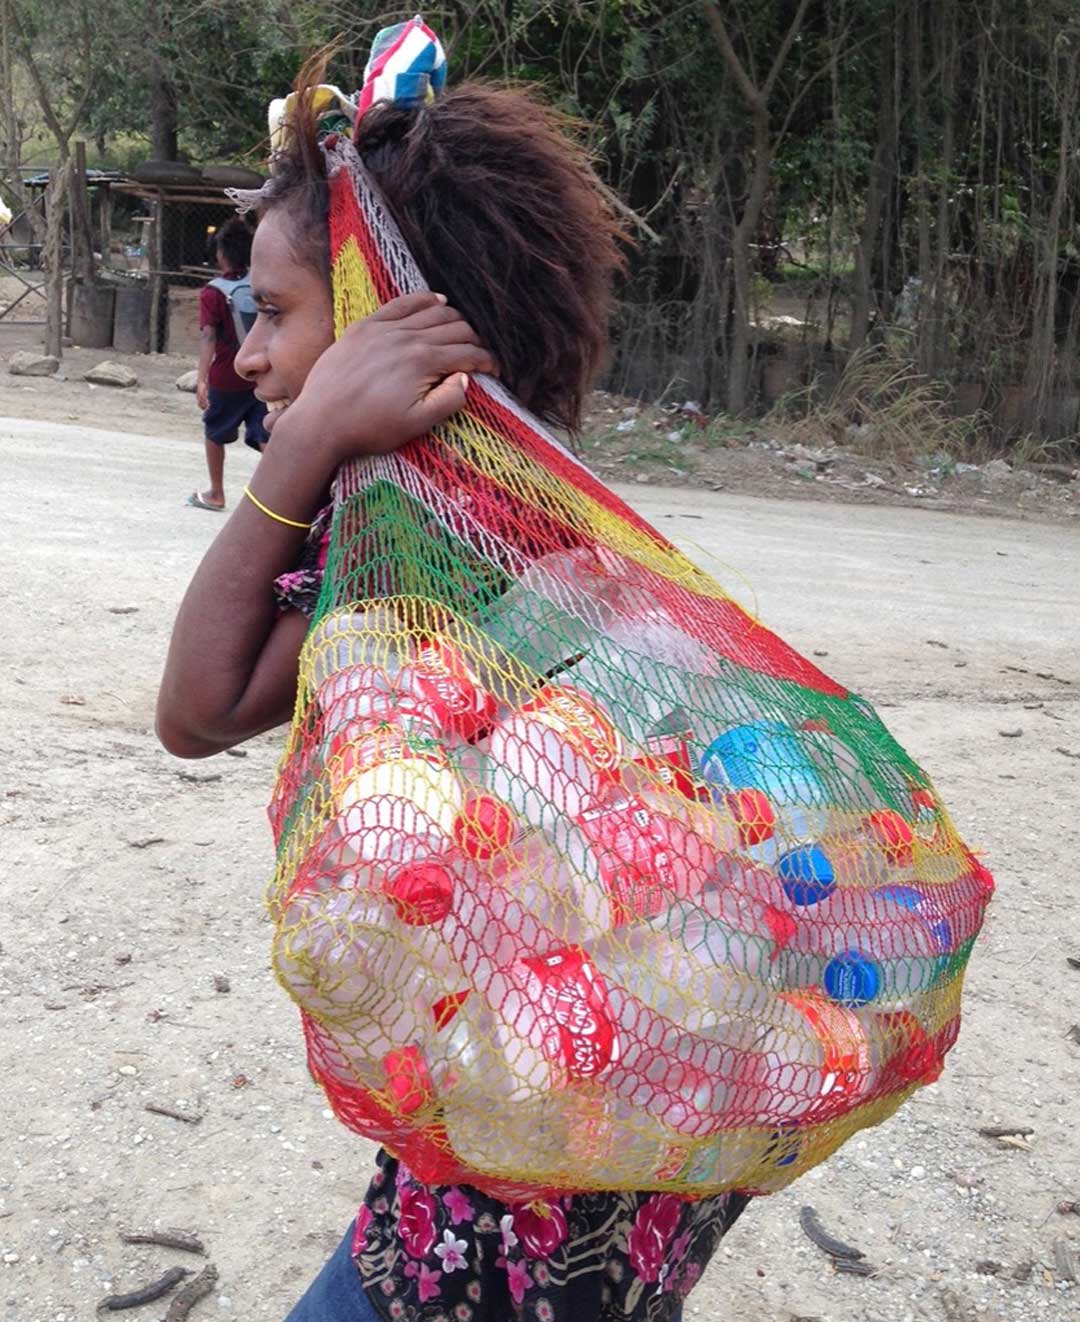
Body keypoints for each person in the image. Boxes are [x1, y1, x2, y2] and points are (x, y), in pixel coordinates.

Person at [158, 21, 749, 1322]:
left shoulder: (450, 544)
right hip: (608, 1140)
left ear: (381, 306)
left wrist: (303, 436)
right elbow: (204, 711)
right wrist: (316, 441)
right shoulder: (430, 522)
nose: (249, 352)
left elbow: (194, 709)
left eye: (279, 313)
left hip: (527, 1180)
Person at [187, 216, 269, 512]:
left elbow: (208, 336)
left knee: (214, 431)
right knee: (264, 434)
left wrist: (202, 379)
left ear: (221, 253)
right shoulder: (263, 285)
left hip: (226, 374)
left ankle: (216, 493)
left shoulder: (213, 292)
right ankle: (276, 497)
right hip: (262, 373)